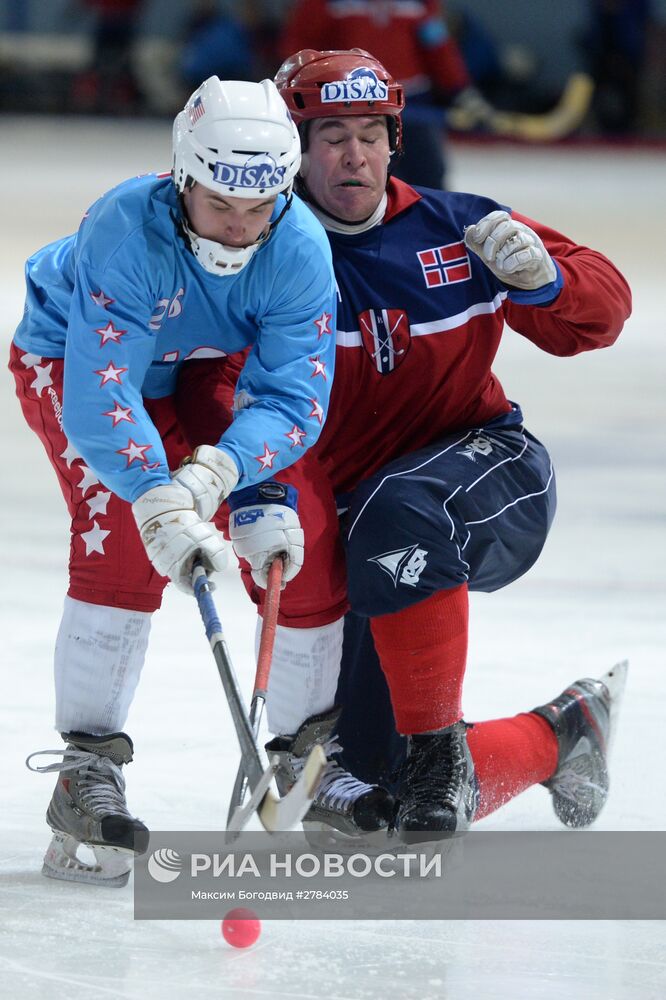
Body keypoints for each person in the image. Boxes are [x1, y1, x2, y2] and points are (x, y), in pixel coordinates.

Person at [175, 48, 632, 844]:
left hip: (493, 475)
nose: (354, 155)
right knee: (370, 789)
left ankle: (435, 755)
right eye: (330, 137)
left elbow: (603, 316)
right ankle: (562, 734)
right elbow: (217, 395)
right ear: (295, 148)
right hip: (365, 535)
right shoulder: (264, 261)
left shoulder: (458, 228)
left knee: (400, 506)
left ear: (395, 140)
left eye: (371, 134)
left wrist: (549, 282)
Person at [10, 75, 339, 885]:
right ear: (183, 177)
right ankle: (84, 773)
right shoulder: (125, 228)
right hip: (75, 358)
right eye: (220, 202)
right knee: (126, 542)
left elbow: (293, 391)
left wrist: (236, 473)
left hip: (201, 362)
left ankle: (306, 757)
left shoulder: (299, 247)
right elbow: (103, 390)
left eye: (259, 206)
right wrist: (157, 498)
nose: (238, 225)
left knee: (300, 528)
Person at [278, 0, 489, 188]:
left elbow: (437, 45)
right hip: (347, 104)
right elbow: (300, 48)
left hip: (413, 101)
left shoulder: (422, 3)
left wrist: (461, 91)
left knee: (430, 176)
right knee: (360, 176)